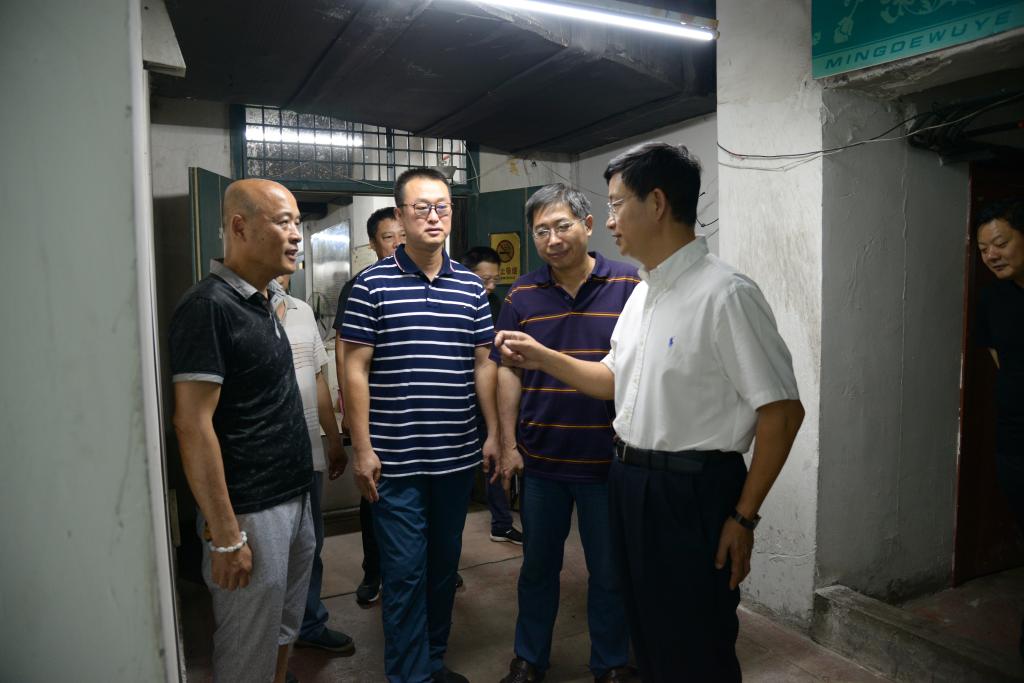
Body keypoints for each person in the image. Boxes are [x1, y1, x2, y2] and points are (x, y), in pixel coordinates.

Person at [496, 143, 805, 683]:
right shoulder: (644, 295)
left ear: (657, 203)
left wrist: (743, 517)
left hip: (691, 490)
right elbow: (612, 379)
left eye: (617, 205)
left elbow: (781, 412)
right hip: (628, 479)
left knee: (696, 636)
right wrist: (543, 357)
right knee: (648, 628)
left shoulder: (725, 294)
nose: (611, 221)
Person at [341, 168, 501, 683]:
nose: (434, 216)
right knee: (406, 574)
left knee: (442, 569)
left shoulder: (471, 288)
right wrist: (362, 448)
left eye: (442, 206)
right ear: (401, 216)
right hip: (396, 461)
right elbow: (354, 369)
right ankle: (409, 675)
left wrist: (494, 433)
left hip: (455, 458)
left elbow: (483, 364)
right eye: (421, 207)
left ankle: (431, 661)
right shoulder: (371, 285)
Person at [170, 179, 316, 683]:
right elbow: (192, 425)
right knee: (247, 647)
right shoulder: (208, 306)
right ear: (239, 226)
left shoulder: (263, 300)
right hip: (252, 510)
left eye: (298, 223)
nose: (296, 235)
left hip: (293, 497)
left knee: (282, 630)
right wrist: (227, 535)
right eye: (284, 222)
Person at [492, 185, 638, 683]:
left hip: (607, 461)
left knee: (609, 571)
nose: (552, 240)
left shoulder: (629, 285)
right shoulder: (522, 295)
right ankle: (529, 658)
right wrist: (508, 445)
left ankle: (611, 663)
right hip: (543, 461)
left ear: (588, 225)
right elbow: (508, 371)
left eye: (562, 226)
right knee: (537, 567)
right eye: (541, 231)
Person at [272, 274, 354, 655]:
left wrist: (333, 440)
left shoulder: (303, 311)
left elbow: (318, 378)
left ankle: (308, 623)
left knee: (310, 546)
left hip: (307, 454)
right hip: (265, 463)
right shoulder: (233, 311)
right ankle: (270, 647)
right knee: (270, 559)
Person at [333, 206, 405, 606]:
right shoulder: (360, 286)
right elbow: (345, 351)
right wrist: (347, 409)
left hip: (414, 416)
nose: (397, 243)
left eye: (402, 236)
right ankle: (373, 570)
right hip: (375, 412)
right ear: (374, 244)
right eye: (388, 237)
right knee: (374, 492)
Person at [974, 199, 1024, 659]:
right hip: (1015, 442)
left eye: (1001, 243)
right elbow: (1000, 359)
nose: (991, 254)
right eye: (983, 248)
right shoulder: (992, 297)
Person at [460, 245, 523, 546]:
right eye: (484, 279)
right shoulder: (453, 301)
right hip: (460, 399)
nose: (490, 286)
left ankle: (501, 523)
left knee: (495, 455)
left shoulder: (496, 304)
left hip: (492, 396)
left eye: (495, 279)